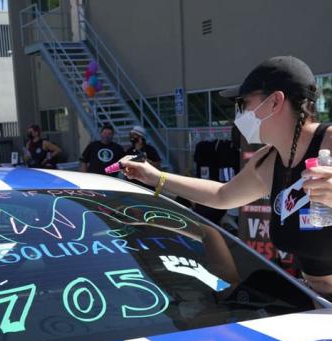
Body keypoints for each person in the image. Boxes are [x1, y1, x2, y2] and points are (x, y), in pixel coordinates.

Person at [118, 56, 332, 299]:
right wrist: (156, 178)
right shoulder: (268, 160)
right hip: (316, 302)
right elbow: (223, 195)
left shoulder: (329, 143)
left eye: (244, 103)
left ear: (274, 101)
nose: (238, 115)